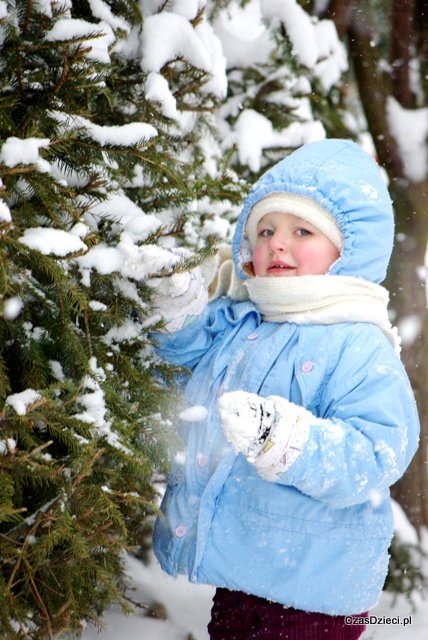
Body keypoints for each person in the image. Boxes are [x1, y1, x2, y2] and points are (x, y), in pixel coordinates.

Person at [151, 138, 420, 639]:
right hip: (242, 570)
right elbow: (178, 373)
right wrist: (178, 314)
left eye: (302, 230)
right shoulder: (245, 319)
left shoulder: (357, 339)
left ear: (349, 250)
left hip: (312, 589)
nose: (277, 243)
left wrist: (288, 440)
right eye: (266, 229)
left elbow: (379, 449)